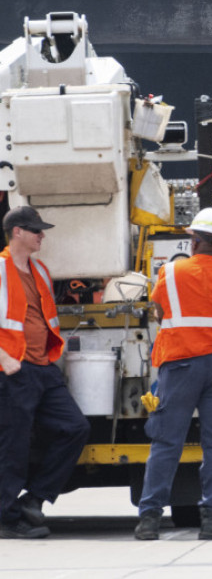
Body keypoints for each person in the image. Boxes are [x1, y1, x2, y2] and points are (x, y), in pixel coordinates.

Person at [134, 207, 212, 541]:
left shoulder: (170, 273)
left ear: (195, 240)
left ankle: (149, 520)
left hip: (181, 365)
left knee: (167, 442)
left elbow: (159, 311)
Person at [0, 206, 90, 539]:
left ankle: (34, 499)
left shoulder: (39, 270)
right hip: (14, 369)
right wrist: (4, 358)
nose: (42, 235)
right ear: (17, 232)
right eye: (36, 230)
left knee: (75, 428)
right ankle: (7, 520)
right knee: (14, 445)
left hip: (43, 367)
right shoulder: (0, 268)